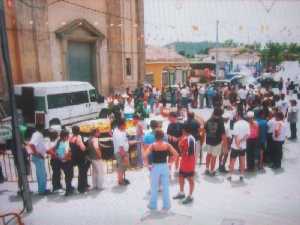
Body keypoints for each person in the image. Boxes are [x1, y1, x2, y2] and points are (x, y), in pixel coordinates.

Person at [144, 130, 178, 211]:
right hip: (165, 166)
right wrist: (170, 163)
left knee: (154, 187)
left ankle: (153, 205)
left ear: (155, 137)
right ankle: (166, 205)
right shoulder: (167, 145)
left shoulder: (152, 145)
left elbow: (144, 155)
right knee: (165, 187)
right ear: (163, 137)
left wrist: (148, 165)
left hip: (155, 167)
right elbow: (176, 154)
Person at [173, 124, 196, 204]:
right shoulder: (187, 138)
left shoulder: (189, 139)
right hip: (184, 161)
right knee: (181, 176)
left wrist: (180, 145)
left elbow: (188, 153)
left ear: (184, 130)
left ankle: (190, 196)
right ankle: (182, 193)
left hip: (189, 162)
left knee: (190, 179)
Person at [27, 124, 50, 195]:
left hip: (38, 157)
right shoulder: (38, 135)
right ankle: (42, 191)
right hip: (38, 157)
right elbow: (31, 144)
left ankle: (42, 189)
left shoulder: (36, 134)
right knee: (42, 175)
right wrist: (37, 154)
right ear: (41, 128)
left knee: (41, 174)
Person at [227, 112, 250, 182]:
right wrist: (241, 141)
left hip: (235, 146)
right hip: (243, 146)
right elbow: (247, 135)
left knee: (232, 161)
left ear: (238, 116)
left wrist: (237, 144)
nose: (235, 117)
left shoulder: (236, 124)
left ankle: (230, 175)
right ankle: (242, 175)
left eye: (236, 116)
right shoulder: (247, 123)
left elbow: (235, 136)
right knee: (242, 161)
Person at [204, 108, 227, 176]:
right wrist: (225, 145)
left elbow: (204, 130)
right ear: (220, 114)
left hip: (208, 141)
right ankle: (212, 171)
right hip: (216, 142)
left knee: (208, 155)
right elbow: (223, 135)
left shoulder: (209, 120)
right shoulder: (220, 122)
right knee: (214, 156)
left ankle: (207, 169)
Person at [70, 126, 90, 193]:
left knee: (81, 172)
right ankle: (81, 188)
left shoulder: (71, 137)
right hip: (81, 157)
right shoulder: (78, 137)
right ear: (79, 131)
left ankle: (84, 185)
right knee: (82, 172)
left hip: (74, 157)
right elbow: (83, 148)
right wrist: (87, 148)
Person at [55, 130, 74, 196]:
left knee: (68, 175)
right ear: (65, 136)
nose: (68, 137)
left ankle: (69, 188)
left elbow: (57, 153)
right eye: (68, 135)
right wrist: (68, 154)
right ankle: (68, 190)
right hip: (66, 161)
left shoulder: (60, 142)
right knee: (69, 176)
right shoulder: (63, 143)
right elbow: (65, 153)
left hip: (63, 162)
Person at [113, 119, 130, 185]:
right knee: (121, 167)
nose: (126, 126)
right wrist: (124, 156)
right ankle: (120, 181)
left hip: (122, 151)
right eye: (125, 124)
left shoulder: (119, 131)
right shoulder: (118, 133)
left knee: (123, 166)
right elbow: (121, 147)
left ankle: (121, 179)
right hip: (121, 152)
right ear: (122, 125)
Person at [167, 112, 183, 176]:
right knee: (170, 157)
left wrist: (178, 138)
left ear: (173, 117)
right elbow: (167, 134)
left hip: (178, 144)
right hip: (170, 144)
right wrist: (171, 137)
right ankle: (169, 170)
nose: (168, 118)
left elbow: (183, 135)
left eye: (169, 117)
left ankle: (176, 169)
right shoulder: (169, 125)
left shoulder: (180, 125)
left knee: (177, 157)